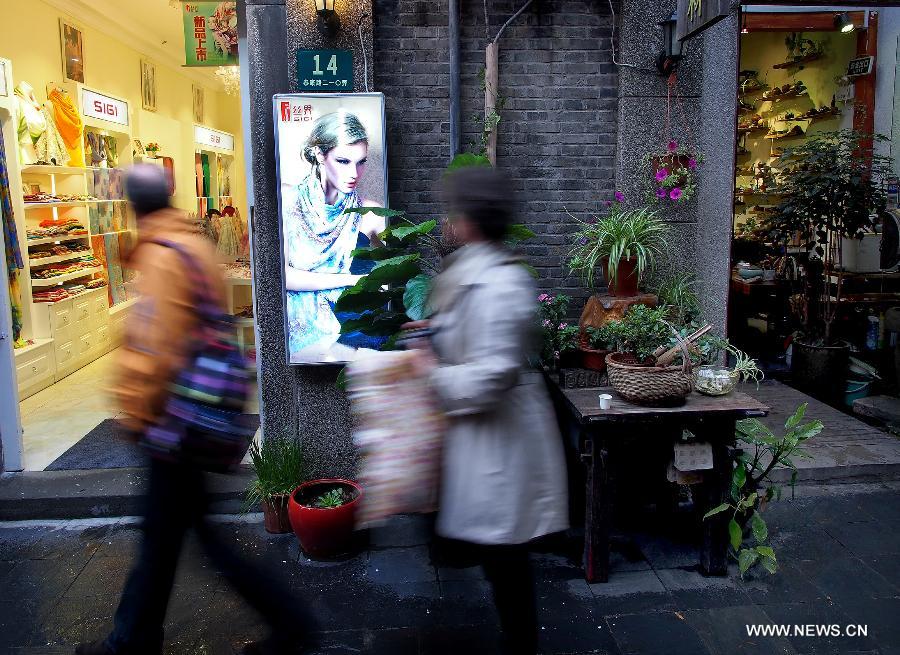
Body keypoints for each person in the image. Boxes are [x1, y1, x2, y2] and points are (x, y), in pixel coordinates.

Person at [76, 165, 315, 655]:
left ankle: (289, 625)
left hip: (175, 423)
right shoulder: (193, 242)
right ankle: (135, 637)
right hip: (195, 415)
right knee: (173, 537)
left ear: (131, 208)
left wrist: (138, 414)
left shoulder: (163, 255)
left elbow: (157, 348)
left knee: (177, 539)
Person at [410, 166, 569, 655]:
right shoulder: (476, 269)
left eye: (454, 211)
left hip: (499, 441)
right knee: (495, 550)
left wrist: (430, 373)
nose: (448, 220)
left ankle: (519, 645)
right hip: (480, 438)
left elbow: (493, 373)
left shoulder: (499, 282)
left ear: (470, 219)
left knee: (504, 554)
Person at [281, 110, 384, 363]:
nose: (354, 173)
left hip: (353, 332)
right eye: (343, 161)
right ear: (319, 154)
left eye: (361, 162)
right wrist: (350, 280)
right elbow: (285, 277)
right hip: (305, 332)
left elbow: (391, 273)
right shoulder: (288, 200)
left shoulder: (370, 212)